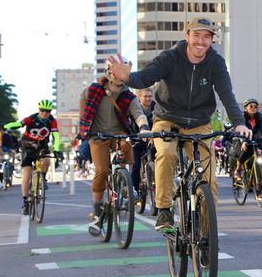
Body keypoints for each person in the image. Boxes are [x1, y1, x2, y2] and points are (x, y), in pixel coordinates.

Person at [107, 16, 251, 233]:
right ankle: (164, 209)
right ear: (187, 36)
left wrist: (240, 123)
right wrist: (128, 78)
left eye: (207, 37)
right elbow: (145, 78)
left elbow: (226, 95)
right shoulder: (170, 57)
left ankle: (206, 232)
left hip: (200, 123)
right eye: (196, 35)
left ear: (211, 40)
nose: (201, 41)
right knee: (166, 155)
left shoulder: (215, 62)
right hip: (167, 118)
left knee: (209, 177)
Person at [79, 56, 150, 232]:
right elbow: (83, 111)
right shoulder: (93, 91)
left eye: (123, 73)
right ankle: (96, 212)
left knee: (128, 148)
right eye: (116, 72)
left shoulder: (129, 96)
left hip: (119, 134)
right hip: (98, 135)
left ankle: (126, 185)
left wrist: (143, 127)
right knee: (102, 170)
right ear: (109, 73)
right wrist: (85, 132)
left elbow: (139, 114)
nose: (120, 76)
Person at [4, 100, 62, 215]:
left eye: (48, 111)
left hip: (42, 146)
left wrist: (56, 150)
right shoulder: (32, 118)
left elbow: (56, 135)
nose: (45, 113)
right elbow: (19, 124)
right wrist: (5, 126)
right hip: (28, 145)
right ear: (39, 110)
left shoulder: (52, 121)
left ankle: (43, 179)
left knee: (47, 160)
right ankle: (25, 202)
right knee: (27, 174)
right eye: (42, 111)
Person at [231, 98, 262, 180]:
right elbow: (241, 131)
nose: (253, 108)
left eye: (255, 106)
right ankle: (238, 169)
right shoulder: (242, 117)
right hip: (241, 139)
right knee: (244, 152)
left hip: (253, 140)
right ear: (245, 108)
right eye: (251, 106)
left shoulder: (260, 117)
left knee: (259, 157)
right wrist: (244, 141)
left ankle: (257, 182)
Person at [131, 87, 155, 197]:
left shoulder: (156, 107)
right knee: (135, 164)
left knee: (160, 159)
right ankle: (135, 192)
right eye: (145, 96)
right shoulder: (135, 108)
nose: (148, 99)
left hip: (152, 141)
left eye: (150, 96)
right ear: (139, 97)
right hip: (137, 141)